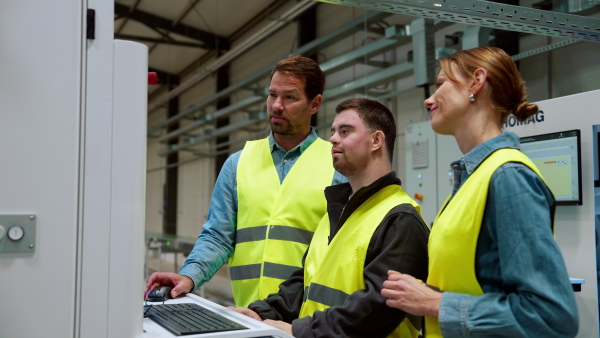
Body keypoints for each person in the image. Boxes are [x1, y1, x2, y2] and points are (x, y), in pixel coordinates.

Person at [381, 46, 579, 337]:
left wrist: (435, 303)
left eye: (440, 84)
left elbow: (551, 317)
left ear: (476, 82)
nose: (428, 99)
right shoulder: (472, 179)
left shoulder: (508, 177)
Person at [145, 55, 346, 307]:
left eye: (290, 97)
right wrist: (188, 276)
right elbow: (218, 236)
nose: (276, 105)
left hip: (311, 320)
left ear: (315, 104)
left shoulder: (338, 167)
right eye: (272, 95)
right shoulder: (237, 164)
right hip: (250, 313)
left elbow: (346, 249)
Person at [230, 97, 430, 337]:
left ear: (376, 140)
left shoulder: (400, 219)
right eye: (333, 131)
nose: (333, 138)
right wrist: (263, 313)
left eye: (345, 131)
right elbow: (304, 282)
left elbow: (375, 310)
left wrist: (300, 330)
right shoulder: (338, 210)